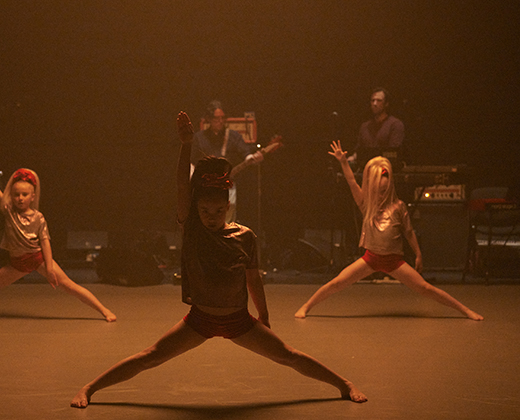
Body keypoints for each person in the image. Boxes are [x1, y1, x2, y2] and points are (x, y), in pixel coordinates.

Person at [70, 112, 367, 408]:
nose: (210, 217)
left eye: (216, 211)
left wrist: (263, 317)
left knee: (288, 355)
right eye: (204, 211)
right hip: (200, 319)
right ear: (197, 210)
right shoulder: (193, 230)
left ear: (227, 207)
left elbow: (253, 279)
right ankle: (90, 388)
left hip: (238, 320)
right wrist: (185, 144)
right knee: (150, 356)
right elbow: (181, 188)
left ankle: (344, 383)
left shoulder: (245, 236)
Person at [294, 141, 483, 321]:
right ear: (372, 189)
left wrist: (418, 254)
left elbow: (409, 232)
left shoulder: (399, 207)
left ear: (390, 187)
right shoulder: (366, 205)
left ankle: (464, 310)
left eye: (384, 190)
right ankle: (306, 306)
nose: (381, 193)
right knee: (337, 282)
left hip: (394, 261)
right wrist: (343, 162)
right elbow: (352, 182)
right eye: (378, 190)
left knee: (425, 288)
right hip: (370, 259)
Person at [0, 154, 117, 322]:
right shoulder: (9, 211)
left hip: (37, 259)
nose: (19, 198)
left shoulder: (38, 217)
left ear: (32, 196)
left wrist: (50, 269)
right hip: (17, 263)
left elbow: (45, 243)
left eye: (24, 195)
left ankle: (103, 309)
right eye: (16, 194)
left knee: (69, 286)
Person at [191, 100, 263, 223]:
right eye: (216, 118)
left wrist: (252, 158)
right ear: (208, 119)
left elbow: (245, 154)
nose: (220, 121)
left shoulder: (233, 136)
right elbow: (191, 161)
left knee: (227, 217)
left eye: (222, 118)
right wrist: (192, 178)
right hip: (204, 186)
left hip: (227, 185)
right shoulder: (199, 138)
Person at [348, 88, 405, 170]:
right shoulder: (365, 126)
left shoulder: (395, 124)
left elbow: (393, 152)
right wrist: (352, 158)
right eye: (372, 100)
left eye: (379, 100)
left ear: (386, 104)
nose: (375, 103)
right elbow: (360, 150)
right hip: (367, 171)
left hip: (386, 171)